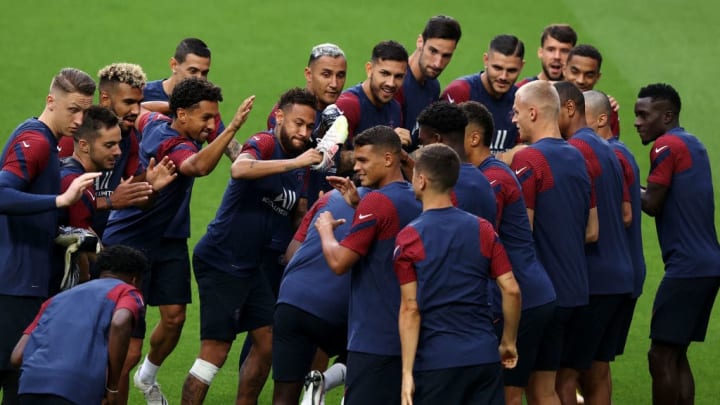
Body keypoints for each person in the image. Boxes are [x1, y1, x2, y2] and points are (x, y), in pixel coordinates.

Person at [103, 77, 255, 405]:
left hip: (164, 240)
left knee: (174, 318)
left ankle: (147, 376)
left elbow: (143, 110)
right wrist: (230, 130)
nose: (212, 125)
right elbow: (197, 166)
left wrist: (170, 108)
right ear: (184, 116)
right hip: (127, 245)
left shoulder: (157, 121)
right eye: (207, 119)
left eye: (216, 119)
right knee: (126, 350)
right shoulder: (176, 145)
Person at [182, 88, 321, 405]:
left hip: (250, 265)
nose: (303, 132)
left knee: (269, 341)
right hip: (222, 259)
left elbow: (294, 207)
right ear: (280, 115)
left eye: (309, 127)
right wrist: (295, 162)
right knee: (214, 352)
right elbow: (239, 168)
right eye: (298, 123)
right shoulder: (266, 142)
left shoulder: (297, 158)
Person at [0, 68, 100, 403]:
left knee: (20, 380)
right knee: (16, 380)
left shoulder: (50, 143)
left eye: (85, 111)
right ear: (50, 101)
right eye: (73, 109)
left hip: (23, 281)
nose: (79, 119)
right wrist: (60, 200)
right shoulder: (38, 141)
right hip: (13, 286)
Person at [395, 143, 520, 405]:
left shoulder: (409, 237)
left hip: (437, 362)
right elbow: (511, 289)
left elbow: (410, 309)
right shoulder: (483, 229)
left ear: (421, 180)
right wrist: (508, 342)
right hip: (483, 357)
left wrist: (406, 373)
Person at [315, 126, 422, 404]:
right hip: (409, 335)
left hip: (374, 337)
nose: (356, 166)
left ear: (388, 159)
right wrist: (358, 205)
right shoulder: (414, 196)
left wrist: (325, 230)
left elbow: (339, 262)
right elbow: (390, 231)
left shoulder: (376, 200)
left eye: (363, 160)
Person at [461, 100, 557, 405]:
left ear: (473, 138)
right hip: (535, 294)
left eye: (449, 136)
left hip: (520, 301)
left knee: (507, 393)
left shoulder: (491, 179)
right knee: (541, 391)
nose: (443, 144)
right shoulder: (491, 173)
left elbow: (479, 244)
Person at [634, 83, 720, 405]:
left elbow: (652, 203)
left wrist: (620, 179)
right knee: (676, 353)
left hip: (687, 266)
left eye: (644, 115)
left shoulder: (666, 145)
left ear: (667, 116)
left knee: (660, 355)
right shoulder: (692, 143)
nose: (637, 122)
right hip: (707, 264)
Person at [508, 80, 593, 404]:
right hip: (573, 291)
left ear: (532, 112)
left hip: (539, 295)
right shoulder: (578, 157)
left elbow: (522, 231)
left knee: (509, 392)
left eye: (516, 112)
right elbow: (592, 229)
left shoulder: (529, 159)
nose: (513, 119)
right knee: (545, 389)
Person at [554, 81, 634, 405]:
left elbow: (587, 227)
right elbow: (626, 213)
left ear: (570, 109)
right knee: (595, 372)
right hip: (618, 277)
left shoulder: (578, 149)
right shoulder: (608, 147)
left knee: (563, 378)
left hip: (595, 280)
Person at [10, 245, 146, 405]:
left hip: (30, 388)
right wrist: (112, 387)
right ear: (135, 279)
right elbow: (119, 322)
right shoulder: (127, 291)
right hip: (76, 389)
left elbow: (17, 356)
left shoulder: (56, 299)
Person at [272, 184, 369, 405]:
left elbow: (290, 254)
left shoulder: (328, 198)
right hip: (338, 306)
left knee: (283, 397)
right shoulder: (391, 205)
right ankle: (323, 381)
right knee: (373, 353)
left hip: (291, 301)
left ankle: (315, 387)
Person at [585, 90, 646, 394]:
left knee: (587, 369)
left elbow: (621, 216)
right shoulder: (621, 152)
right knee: (598, 366)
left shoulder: (607, 155)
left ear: (601, 119)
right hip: (625, 271)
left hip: (608, 276)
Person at [441, 34, 525, 155]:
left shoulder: (520, 99)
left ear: (521, 66)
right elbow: (443, 149)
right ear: (486, 60)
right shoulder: (460, 92)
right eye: (497, 68)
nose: (503, 76)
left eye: (511, 70)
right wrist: (502, 159)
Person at [415, 101, 496, 224]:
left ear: (437, 140)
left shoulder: (446, 186)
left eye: (423, 143)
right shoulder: (482, 180)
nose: (421, 151)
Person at [395, 15, 462, 149]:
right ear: (420, 42)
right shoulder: (395, 84)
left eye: (446, 55)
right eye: (433, 51)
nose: (438, 63)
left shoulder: (433, 86)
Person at [335, 41, 409, 148]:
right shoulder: (348, 106)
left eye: (398, 76)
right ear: (369, 69)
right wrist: (384, 144)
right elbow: (336, 159)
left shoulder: (395, 108)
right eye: (385, 73)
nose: (391, 83)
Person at [563, 44, 620, 137]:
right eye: (575, 72)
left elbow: (611, 148)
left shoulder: (606, 110)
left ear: (597, 77)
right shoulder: (547, 103)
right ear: (564, 69)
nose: (580, 80)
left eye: (589, 75)